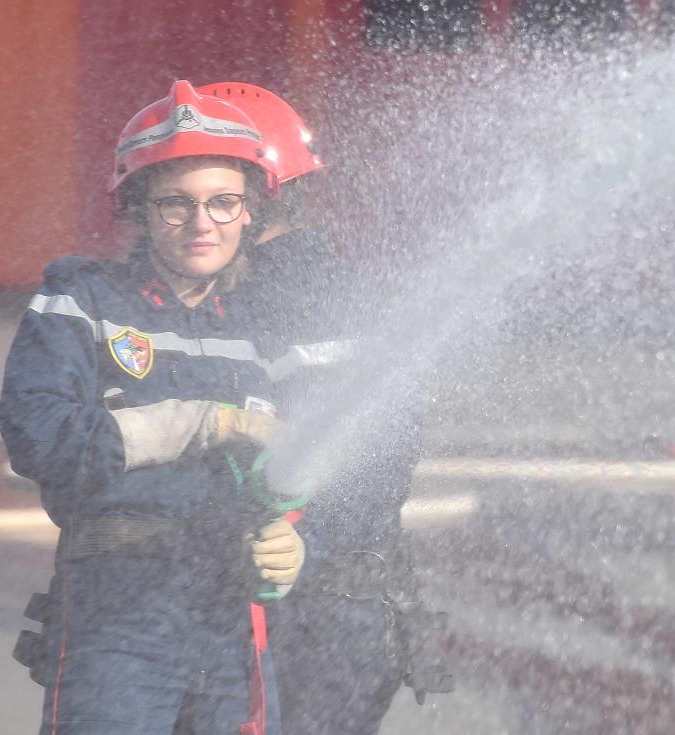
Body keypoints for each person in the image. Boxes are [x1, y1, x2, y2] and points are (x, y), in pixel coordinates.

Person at [0, 80, 307, 735]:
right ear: (138, 207)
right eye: (177, 203)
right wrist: (203, 422)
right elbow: (40, 438)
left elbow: (302, 457)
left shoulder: (268, 332)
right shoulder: (82, 302)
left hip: (232, 626)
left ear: (251, 210)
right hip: (116, 615)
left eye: (224, 202)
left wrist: (293, 534)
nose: (203, 223)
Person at [198, 82, 452, 735]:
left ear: (255, 196)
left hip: (311, 617)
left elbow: (372, 457)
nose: (185, 216)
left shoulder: (306, 297)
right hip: (292, 614)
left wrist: (298, 542)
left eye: (205, 190)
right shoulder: (218, 294)